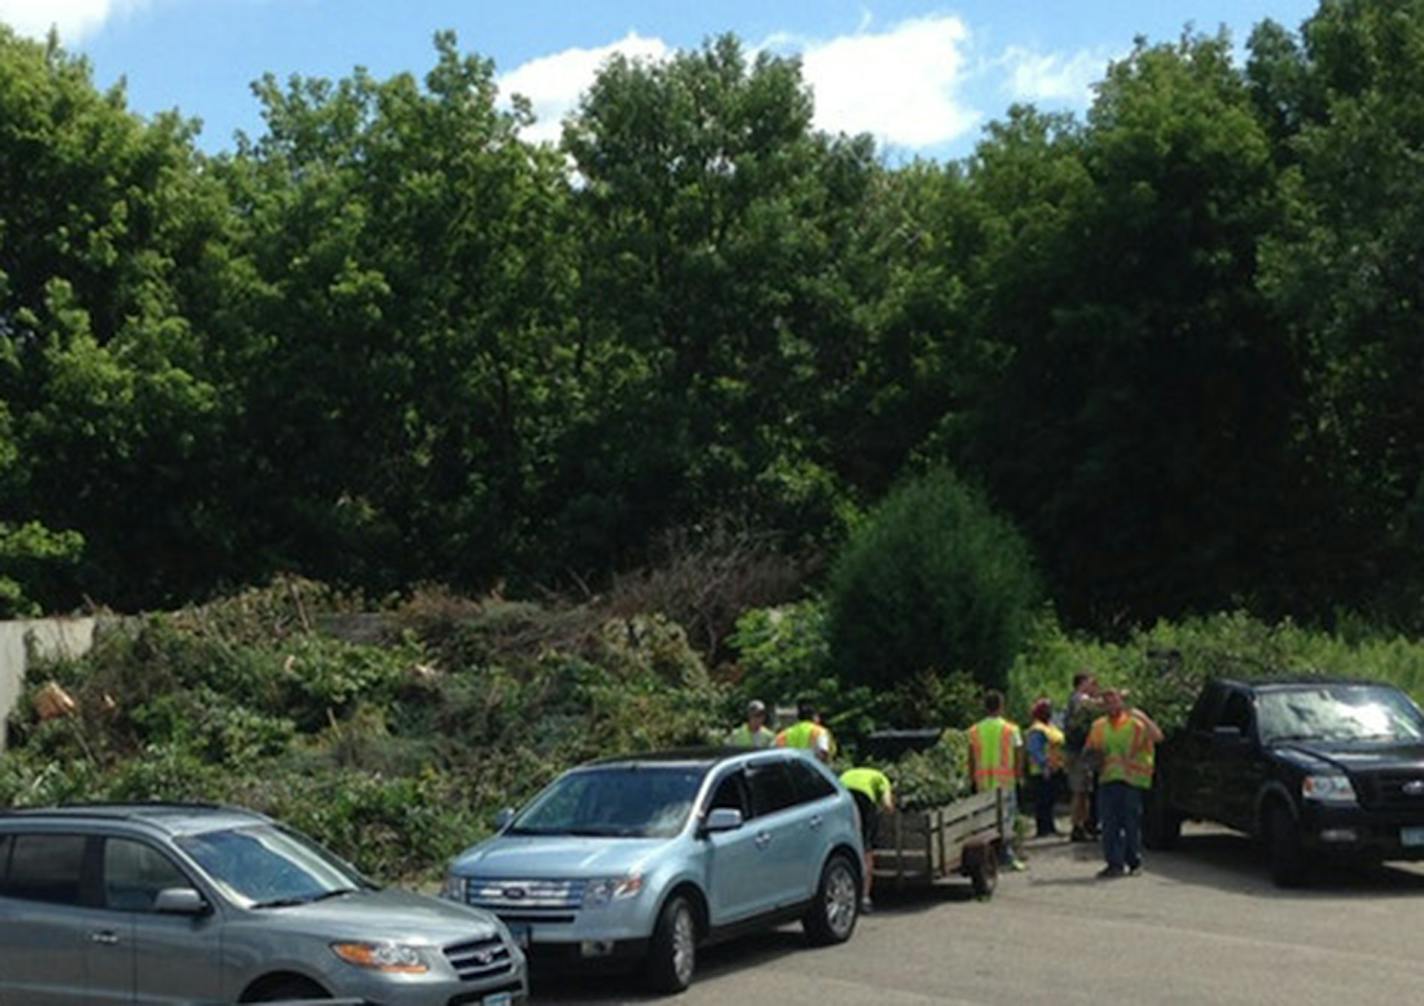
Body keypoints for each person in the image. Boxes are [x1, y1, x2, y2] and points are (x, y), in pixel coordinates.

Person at [1083, 688, 1164, 878]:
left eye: (1114, 701)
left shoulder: (1136, 724)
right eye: (1107, 702)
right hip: (1107, 779)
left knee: (1131, 824)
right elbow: (1089, 750)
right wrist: (1090, 761)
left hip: (1131, 781)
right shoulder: (1099, 726)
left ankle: (1134, 862)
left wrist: (1144, 717)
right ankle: (1114, 864)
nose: (1111, 705)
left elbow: (1158, 737)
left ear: (1121, 702)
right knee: (1109, 825)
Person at [967, 690, 1026, 870]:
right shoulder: (1011, 729)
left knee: (985, 820)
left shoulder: (974, 730)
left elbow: (970, 757)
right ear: (1001, 706)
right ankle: (1006, 856)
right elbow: (1018, 754)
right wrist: (1019, 776)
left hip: (983, 782)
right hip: (1005, 781)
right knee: (1006, 818)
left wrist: (972, 778)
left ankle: (989, 856)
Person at [839, 765, 894, 912]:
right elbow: (888, 805)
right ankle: (864, 898)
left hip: (843, 798)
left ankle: (846, 895)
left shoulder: (847, 773)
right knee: (866, 848)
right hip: (863, 799)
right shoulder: (882, 778)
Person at [1063, 671, 1102, 842]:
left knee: (1084, 791)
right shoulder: (1078, 698)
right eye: (1090, 682)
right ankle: (1076, 826)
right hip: (1077, 752)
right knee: (1079, 791)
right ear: (1082, 683)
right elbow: (1095, 705)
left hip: (1079, 752)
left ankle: (1082, 825)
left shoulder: (1078, 699)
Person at [1025, 698, 1065, 838]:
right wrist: (1045, 765)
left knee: (1050, 800)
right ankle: (1043, 829)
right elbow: (1034, 750)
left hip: (1054, 768)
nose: (1050, 712)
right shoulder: (1037, 729)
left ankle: (1050, 827)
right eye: (1047, 709)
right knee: (1042, 801)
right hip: (1041, 771)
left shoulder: (1051, 727)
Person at [775, 699, 833, 763]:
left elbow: (777, 754)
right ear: (814, 717)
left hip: (790, 771)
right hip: (812, 770)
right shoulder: (819, 731)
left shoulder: (783, 734)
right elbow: (823, 753)